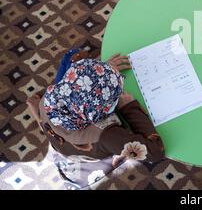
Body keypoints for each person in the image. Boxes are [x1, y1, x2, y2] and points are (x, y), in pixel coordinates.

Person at [26, 49, 164, 189]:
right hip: (84, 150)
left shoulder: (49, 98)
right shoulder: (108, 135)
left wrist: (100, 72)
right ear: (102, 113)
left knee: (74, 54)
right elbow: (156, 153)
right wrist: (129, 108)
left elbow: (80, 89)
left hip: (59, 138)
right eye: (115, 97)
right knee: (76, 55)